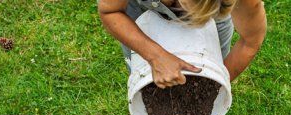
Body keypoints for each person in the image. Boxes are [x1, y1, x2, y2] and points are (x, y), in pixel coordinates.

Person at [98, 0, 267, 89]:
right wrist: (155, 56)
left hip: (216, 22)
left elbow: (250, 41)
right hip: (140, 9)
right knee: (146, 79)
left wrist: (214, 86)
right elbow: (110, 10)